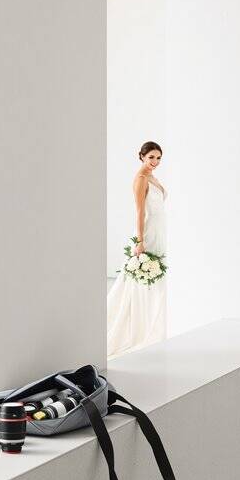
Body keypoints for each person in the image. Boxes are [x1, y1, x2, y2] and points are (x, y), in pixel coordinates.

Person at [107, 141, 168, 357]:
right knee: (143, 279)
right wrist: (140, 241)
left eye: (159, 158)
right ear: (141, 156)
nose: (155, 162)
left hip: (161, 231)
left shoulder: (153, 177)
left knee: (159, 278)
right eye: (151, 157)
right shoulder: (141, 179)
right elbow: (140, 212)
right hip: (149, 232)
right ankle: (142, 327)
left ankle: (156, 322)